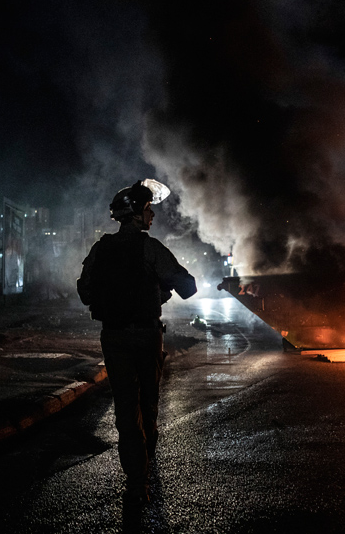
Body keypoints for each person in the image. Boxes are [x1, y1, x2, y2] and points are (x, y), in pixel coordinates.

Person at [77, 179, 197, 505]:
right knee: (148, 405)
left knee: (126, 411)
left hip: (113, 337)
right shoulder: (149, 247)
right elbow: (187, 286)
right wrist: (159, 289)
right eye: (148, 209)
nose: (153, 215)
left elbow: (85, 290)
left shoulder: (100, 248)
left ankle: (136, 481)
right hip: (146, 336)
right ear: (136, 215)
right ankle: (147, 468)